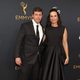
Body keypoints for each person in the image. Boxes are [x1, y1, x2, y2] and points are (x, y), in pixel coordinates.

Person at [15, 7, 45, 80]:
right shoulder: (25, 26)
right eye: (36, 14)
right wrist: (17, 56)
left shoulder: (42, 28)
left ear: (42, 16)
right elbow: (19, 41)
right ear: (32, 15)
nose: (38, 16)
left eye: (40, 15)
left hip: (38, 60)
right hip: (26, 59)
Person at [41, 8, 69, 80]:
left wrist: (67, 56)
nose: (53, 18)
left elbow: (65, 43)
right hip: (48, 55)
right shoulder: (45, 29)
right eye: (51, 16)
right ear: (49, 18)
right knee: (47, 74)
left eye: (55, 16)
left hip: (58, 54)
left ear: (58, 17)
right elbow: (42, 42)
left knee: (57, 74)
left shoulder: (63, 29)